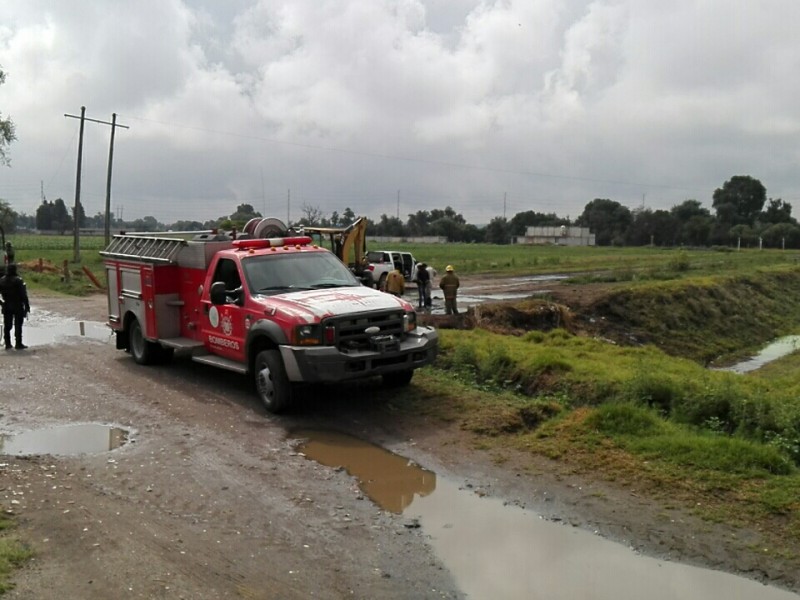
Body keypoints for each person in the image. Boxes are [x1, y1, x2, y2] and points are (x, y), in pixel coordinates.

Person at [0, 263, 30, 350]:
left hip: (6, 304)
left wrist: (1, 303)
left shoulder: (1, 280)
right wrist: (27, 306)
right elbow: (23, 295)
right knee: (18, 325)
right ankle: (18, 343)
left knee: (7, 325)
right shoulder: (18, 280)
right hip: (17, 305)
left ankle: (8, 343)